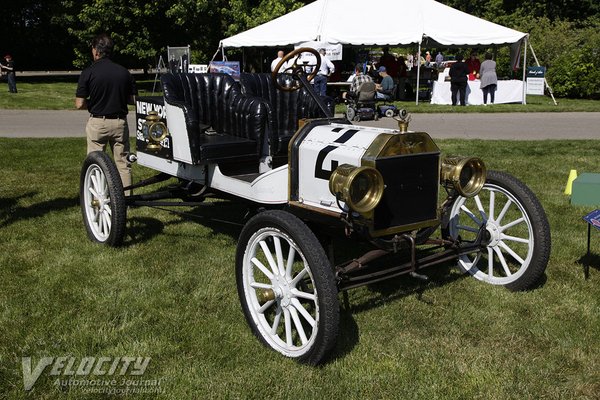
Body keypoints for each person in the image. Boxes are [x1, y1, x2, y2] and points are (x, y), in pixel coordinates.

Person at [75, 33, 137, 192]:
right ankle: (127, 199)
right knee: (123, 163)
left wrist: (94, 102)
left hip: (98, 122)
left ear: (96, 51)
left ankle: (98, 197)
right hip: (119, 123)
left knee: (96, 163)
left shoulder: (88, 72)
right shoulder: (124, 72)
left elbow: (79, 103)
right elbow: (133, 100)